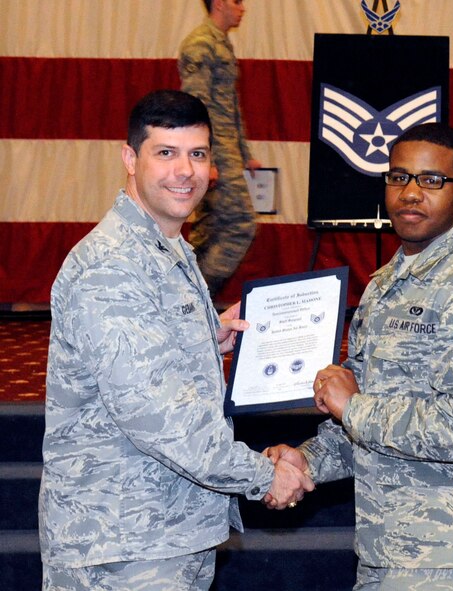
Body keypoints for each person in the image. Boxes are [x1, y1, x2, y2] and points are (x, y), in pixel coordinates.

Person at [38, 89, 311, 590]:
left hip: (166, 534)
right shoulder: (111, 265)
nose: (185, 171)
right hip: (120, 545)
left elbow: (144, 360)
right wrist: (262, 475)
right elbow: (159, 416)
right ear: (130, 159)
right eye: (166, 152)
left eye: (197, 154)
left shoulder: (166, 247)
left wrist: (206, 340)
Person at [264, 123, 453, 590]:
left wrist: (353, 406)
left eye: (432, 180)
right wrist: (307, 461)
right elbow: (365, 417)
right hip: (387, 545)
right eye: (398, 177)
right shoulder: (385, 286)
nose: (410, 192)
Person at [178, 0, 261, 299]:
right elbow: (195, 106)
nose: (243, 8)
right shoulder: (201, 43)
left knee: (208, 231)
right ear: (220, 3)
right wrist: (204, 158)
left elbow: (230, 106)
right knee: (241, 225)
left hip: (226, 151)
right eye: (237, 1)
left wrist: (245, 154)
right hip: (215, 153)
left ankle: (186, 302)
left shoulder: (221, 42)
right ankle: (197, 297)